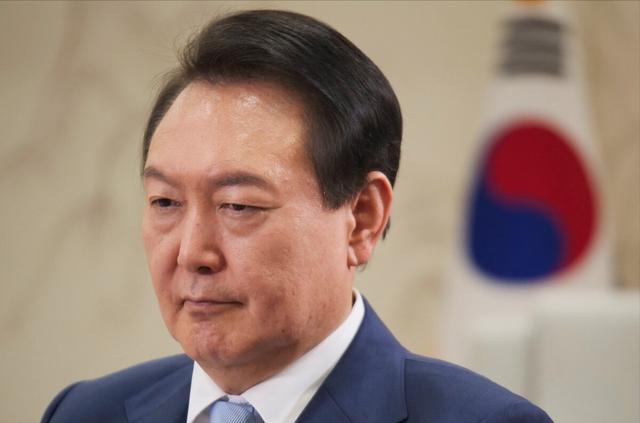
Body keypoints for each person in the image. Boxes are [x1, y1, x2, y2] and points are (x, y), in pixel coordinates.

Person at [41, 9, 552, 423]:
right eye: (165, 203)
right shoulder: (84, 412)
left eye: (238, 205)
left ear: (363, 218)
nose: (192, 253)